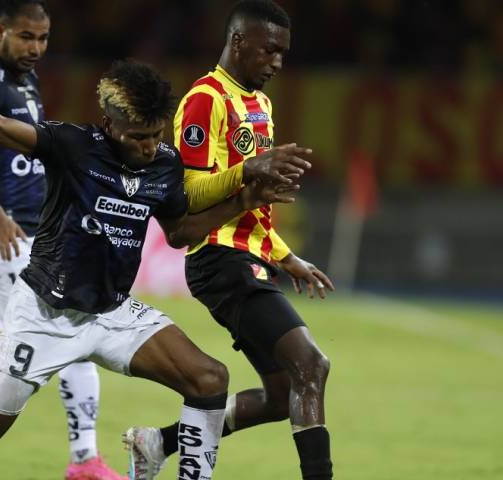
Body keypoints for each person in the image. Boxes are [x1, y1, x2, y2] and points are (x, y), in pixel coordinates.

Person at [0, 21, 300, 480]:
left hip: (111, 313)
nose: (151, 147)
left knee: (209, 379)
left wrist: (245, 200)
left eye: (156, 135)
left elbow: (179, 233)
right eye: (140, 138)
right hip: (44, 317)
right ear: (110, 125)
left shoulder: (163, 163)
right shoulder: (71, 145)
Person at [124, 2, 335, 480]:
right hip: (218, 258)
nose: (277, 62)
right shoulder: (206, 99)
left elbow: (254, 203)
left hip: (249, 257)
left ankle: (158, 442)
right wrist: (249, 170)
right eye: (270, 51)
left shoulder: (261, 106)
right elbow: (188, 195)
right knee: (311, 364)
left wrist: (286, 256)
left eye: (283, 53)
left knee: (282, 397)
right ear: (239, 42)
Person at [0, 2, 122, 479]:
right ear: (1, 31)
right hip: (3, 238)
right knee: (69, 336)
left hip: (31, 233)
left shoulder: (25, 79)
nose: (37, 47)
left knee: (29, 348)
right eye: (27, 37)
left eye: (44, 38)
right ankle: (85, 462)